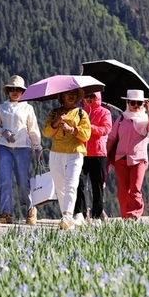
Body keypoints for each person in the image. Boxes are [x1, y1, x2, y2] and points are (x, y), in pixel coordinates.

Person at [0, 75, 43, 225]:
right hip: (4, 147)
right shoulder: (2, 108)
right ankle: (6, 213)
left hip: (23, 147)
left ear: (23, 92)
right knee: (4, 180)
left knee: (22, 181)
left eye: (18, 89)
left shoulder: (28, 108)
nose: (15, 92)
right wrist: (3, 132)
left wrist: (37, 148)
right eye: (12, 89)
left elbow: (33, 130)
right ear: (8, 91)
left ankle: (31, 209)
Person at [105, 89, 149, 220]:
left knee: (135, 188)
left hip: (139, 159)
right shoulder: (121, 119)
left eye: (139, 103)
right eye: (133, 103)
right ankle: (125, 216)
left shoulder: (145, 120)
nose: (136, 105)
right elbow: (112, 137)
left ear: (143, 104)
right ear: (128, 103)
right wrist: (105, 155)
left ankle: (133, 216)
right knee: (123, 191)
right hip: (121, 159)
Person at [42, 88, 91, 230]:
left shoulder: (81, 113)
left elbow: (86, 135)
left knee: (71, 184)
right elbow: (46, 132)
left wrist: (72, 130)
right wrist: (56, 122)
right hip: (56, 153)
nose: (71, 95)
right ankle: (66, 216)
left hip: (75, 153)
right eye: (68, 93)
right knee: (59, 186)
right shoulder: (54, 113)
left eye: (74, 94)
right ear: (61, 95)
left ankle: (67, 215)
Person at [74, 91, 112, 224]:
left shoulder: (104, 112)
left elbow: (105, 129)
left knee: (97, 186)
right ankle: (81, 212)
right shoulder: (79, 112)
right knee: (79, 183)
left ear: (98, 97)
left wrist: (89, 127)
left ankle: (97, 215)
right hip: (82, 152)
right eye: (86, 96)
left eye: (92, 96)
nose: (89, 99)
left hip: (98, 153)